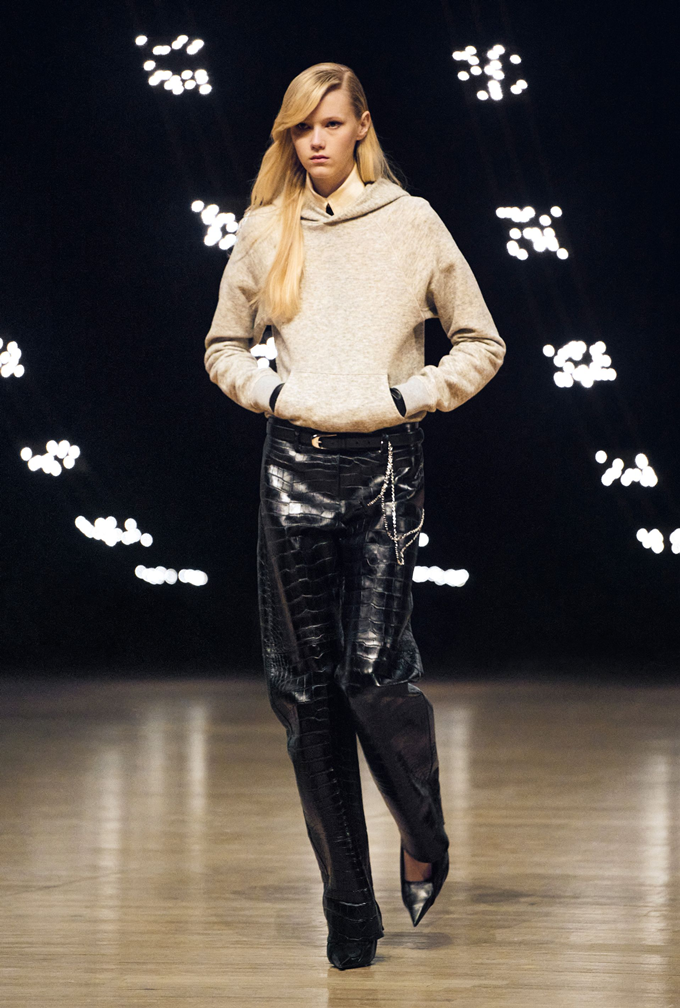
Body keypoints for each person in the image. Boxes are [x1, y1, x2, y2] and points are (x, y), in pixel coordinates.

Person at [204, 62, 505, 970]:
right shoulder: (266, 229)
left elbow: (482, 341)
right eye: (301, 128)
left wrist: (409, 396)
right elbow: (222, 345)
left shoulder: (412, 223)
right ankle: (347, 911)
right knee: (305, 694)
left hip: (385, 467)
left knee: (372, 673)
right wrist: (275, 394)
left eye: (331, 123)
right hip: (293, 465)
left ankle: (423, 830)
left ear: (362, 126)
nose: (316, 140)